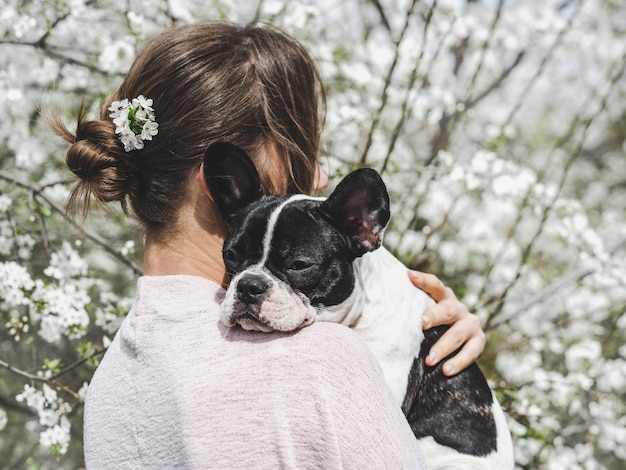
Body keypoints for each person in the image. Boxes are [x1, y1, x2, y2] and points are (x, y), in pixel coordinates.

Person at [48, 20, 486, 468]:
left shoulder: (111, 382)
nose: (320, 178)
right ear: (224, 182)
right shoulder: (320, 362)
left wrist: (419, 342)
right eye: (304, 155)